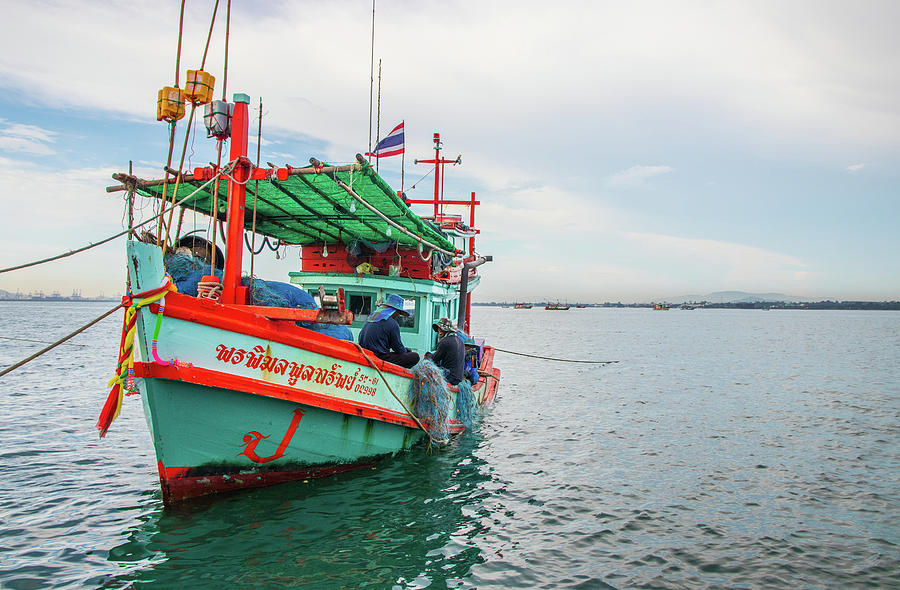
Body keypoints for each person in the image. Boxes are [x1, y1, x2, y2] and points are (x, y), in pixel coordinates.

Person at [358, 293, 420, 368]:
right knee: (414, 356)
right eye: (398, 313)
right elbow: (399, 349)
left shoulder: (370, 318)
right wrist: (407, 351)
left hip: (364, 354)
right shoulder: (392, 324)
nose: (397, 315)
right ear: (394, 311)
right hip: (378, 358)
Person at [426, 318, 465, 385]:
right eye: (438, 329)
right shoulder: (460, 341)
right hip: (459, 377)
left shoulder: (445, 342)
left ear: (446, 330)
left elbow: (434, 359)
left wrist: (428, 355)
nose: (438, 331)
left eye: (441, 329)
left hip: (450, 378)